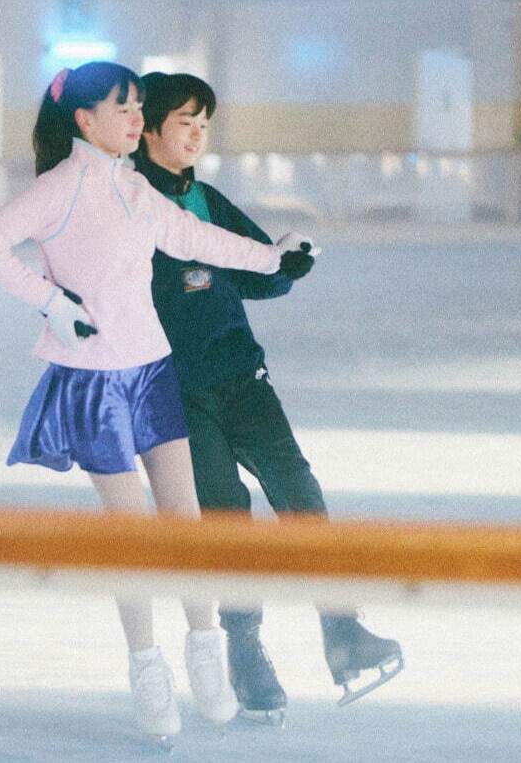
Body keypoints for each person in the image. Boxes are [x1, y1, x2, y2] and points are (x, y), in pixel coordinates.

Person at [0, 61, 303, 744]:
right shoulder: (58, 189)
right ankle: (147, 666)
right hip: (95, 382)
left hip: (152, 369)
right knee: (133, 533)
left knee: (184, 519)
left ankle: (204, 650)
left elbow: (192, 236)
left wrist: (273, 259)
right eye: (123, 108)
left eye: (139, 108)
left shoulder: (131, 185)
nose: (135, 119)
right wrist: (52, 304)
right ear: (85, 119)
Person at [134, 71, 403, 722]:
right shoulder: (132, 205)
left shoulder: (208, 200)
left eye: (204, 124)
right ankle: (245, 650)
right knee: (227, 517)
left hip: (243, 379)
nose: (197, 135)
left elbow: (259, 270)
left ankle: (342, 629)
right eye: (185, 122)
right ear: (148, 131)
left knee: (299, 490)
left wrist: (289, 266)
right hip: (177, 394)